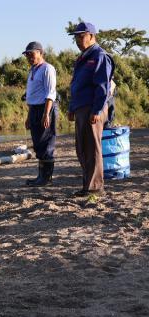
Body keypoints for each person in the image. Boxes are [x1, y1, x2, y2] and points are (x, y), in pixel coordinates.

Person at [67, 22, 114, 197]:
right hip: (80, 108)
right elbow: (75, 84)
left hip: (93, 108)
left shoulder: (100, 55)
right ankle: (88, 185)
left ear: (92, 36)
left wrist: (96, 110)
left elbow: (103, 86)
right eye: (76, 37)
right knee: (82, 148)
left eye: (82, 36)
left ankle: (95, 187)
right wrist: (72, 107)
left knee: (92, 147)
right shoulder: (83, 57)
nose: (78, 40)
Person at [22, 41, 58, 186]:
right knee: (37, 144)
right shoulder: (32, 70)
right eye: (27, 54)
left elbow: (50, 93)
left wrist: (46, 114)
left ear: (40, 53)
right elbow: (32, 95)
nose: (29, 57)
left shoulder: (47, 69)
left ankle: (46, 179)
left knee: (46, 142)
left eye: (32, 53)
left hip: (45, 108)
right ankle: (41, 176)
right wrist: (28, 116)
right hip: (34, 109)